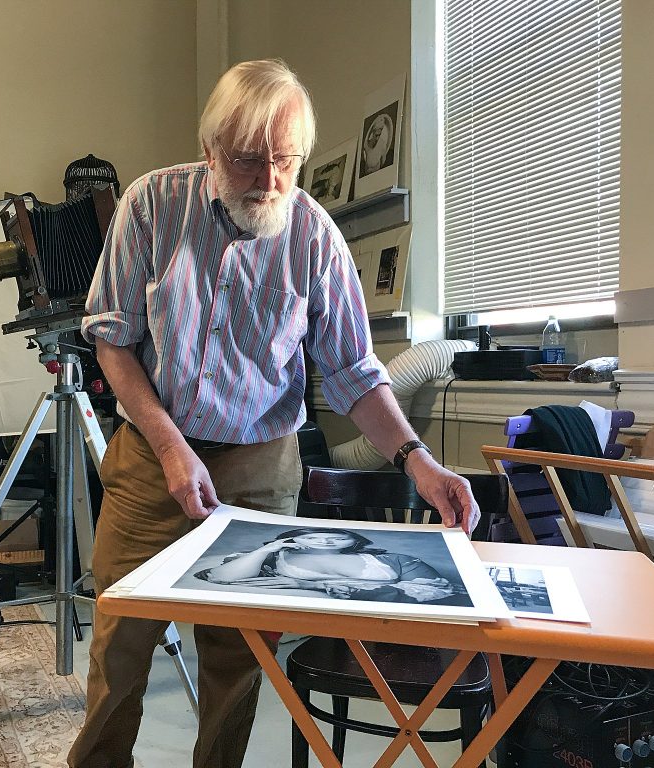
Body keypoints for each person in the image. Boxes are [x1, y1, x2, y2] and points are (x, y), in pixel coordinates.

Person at [69, 58, 479, 768]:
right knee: (122, 635)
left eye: (285, 161)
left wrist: (419, 460)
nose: (268, 182)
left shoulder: (316, 237)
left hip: (262, 462)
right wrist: (169, 446)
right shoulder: (150, 204)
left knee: (238, 651)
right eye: (249, 160)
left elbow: (355, 372)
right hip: (151, 448)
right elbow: (113, 343)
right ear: (211, 151)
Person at [199, 526, 460, 604]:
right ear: (295, 539)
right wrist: (267, 548)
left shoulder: (393, 560)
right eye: (311, 536)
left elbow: (435, 591)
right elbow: (220, 577)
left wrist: (309, 584)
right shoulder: (272, 558)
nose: (325, 540)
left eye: (338, 536)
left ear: (352, 540)